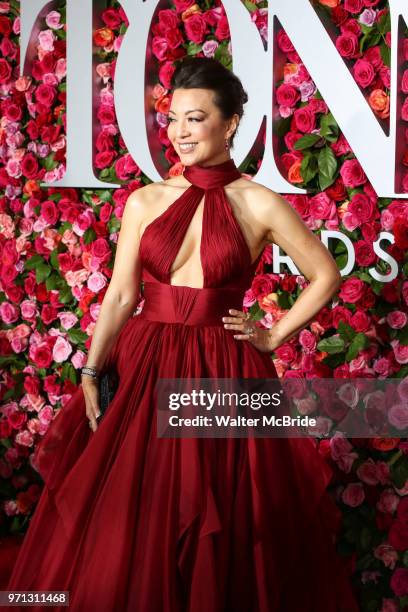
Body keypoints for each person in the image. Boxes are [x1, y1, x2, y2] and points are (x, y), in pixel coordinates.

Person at [7, 57, 359, 611]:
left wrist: (271, 337)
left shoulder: (259, 202)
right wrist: (92, 369)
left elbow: (326, 275)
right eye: (173, 119)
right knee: (135, 510)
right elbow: (122, 294)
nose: (178, 132)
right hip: (146, 362)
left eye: (194, 118)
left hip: (224, 370)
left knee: (219, 512)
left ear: (231, 123)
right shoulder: (145, 200)